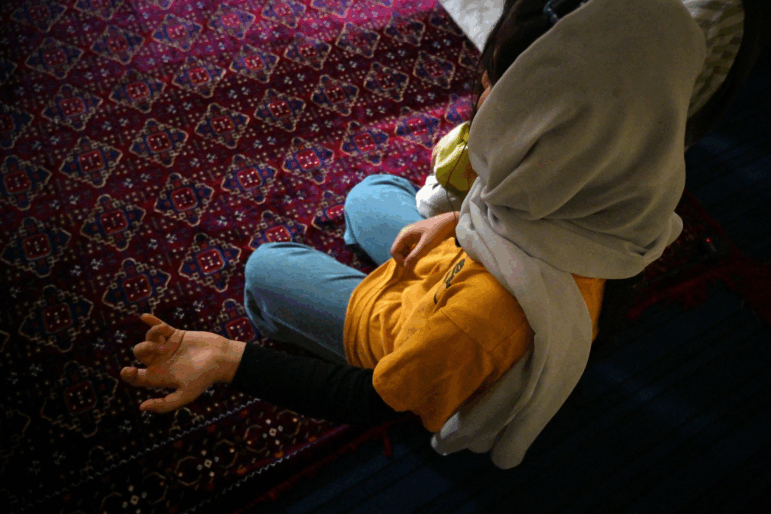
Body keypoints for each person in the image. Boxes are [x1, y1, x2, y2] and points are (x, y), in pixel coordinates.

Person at [121, 0, 747, 468]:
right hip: (472, 268)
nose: (479, 96)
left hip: (418, 328)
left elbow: (374, 401)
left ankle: (286, 318)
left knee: (266, 269)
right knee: (370, 195)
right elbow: (508, 222)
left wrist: (228, 359)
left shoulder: (479, 320)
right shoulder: (621, 193)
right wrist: (454, 220)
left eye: (494, 91)